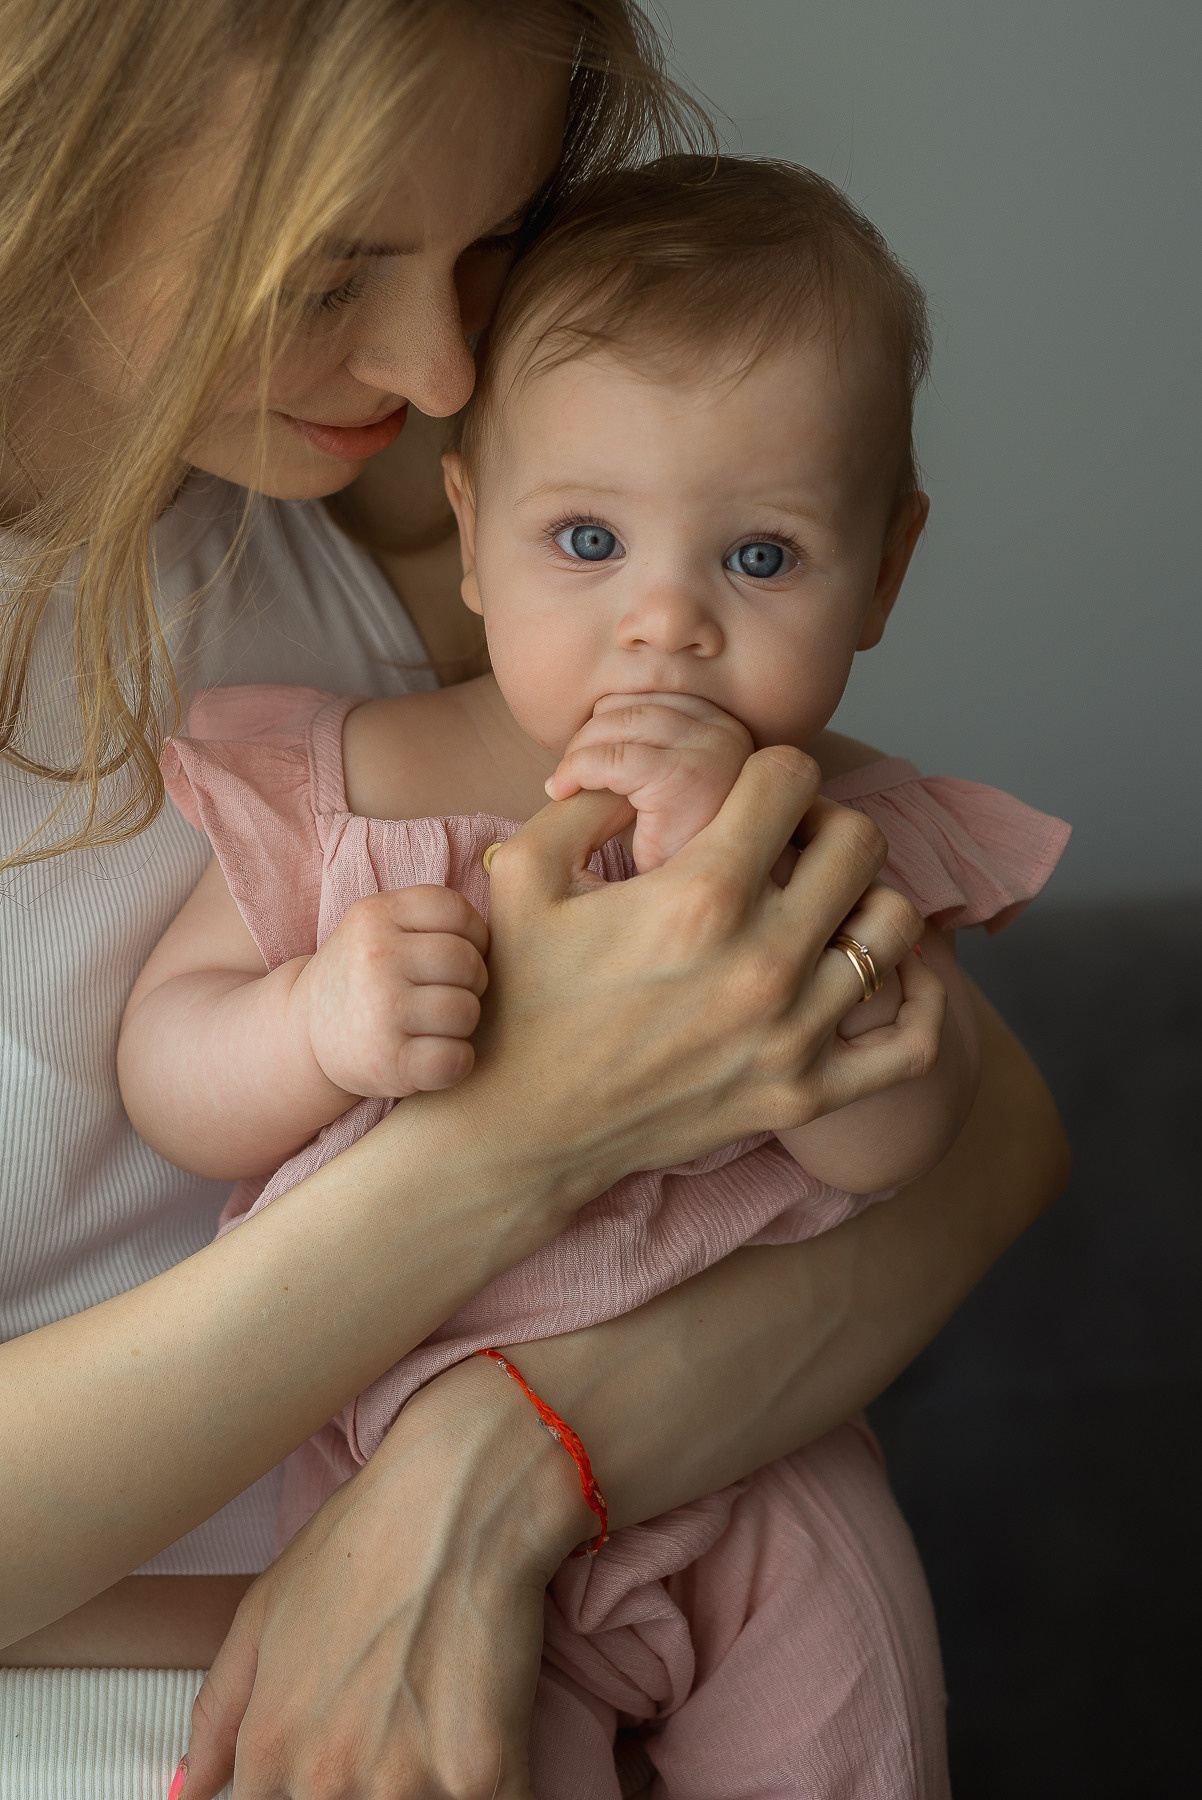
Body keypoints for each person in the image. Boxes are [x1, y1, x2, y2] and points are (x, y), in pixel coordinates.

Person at [0, 4, 1069, 1798]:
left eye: (486, 241)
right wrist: (519, 1134)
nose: (434, 369)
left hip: (544, 1670)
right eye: (330, 263)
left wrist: (494, 1461)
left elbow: (987, 1130)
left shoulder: (375, 522)